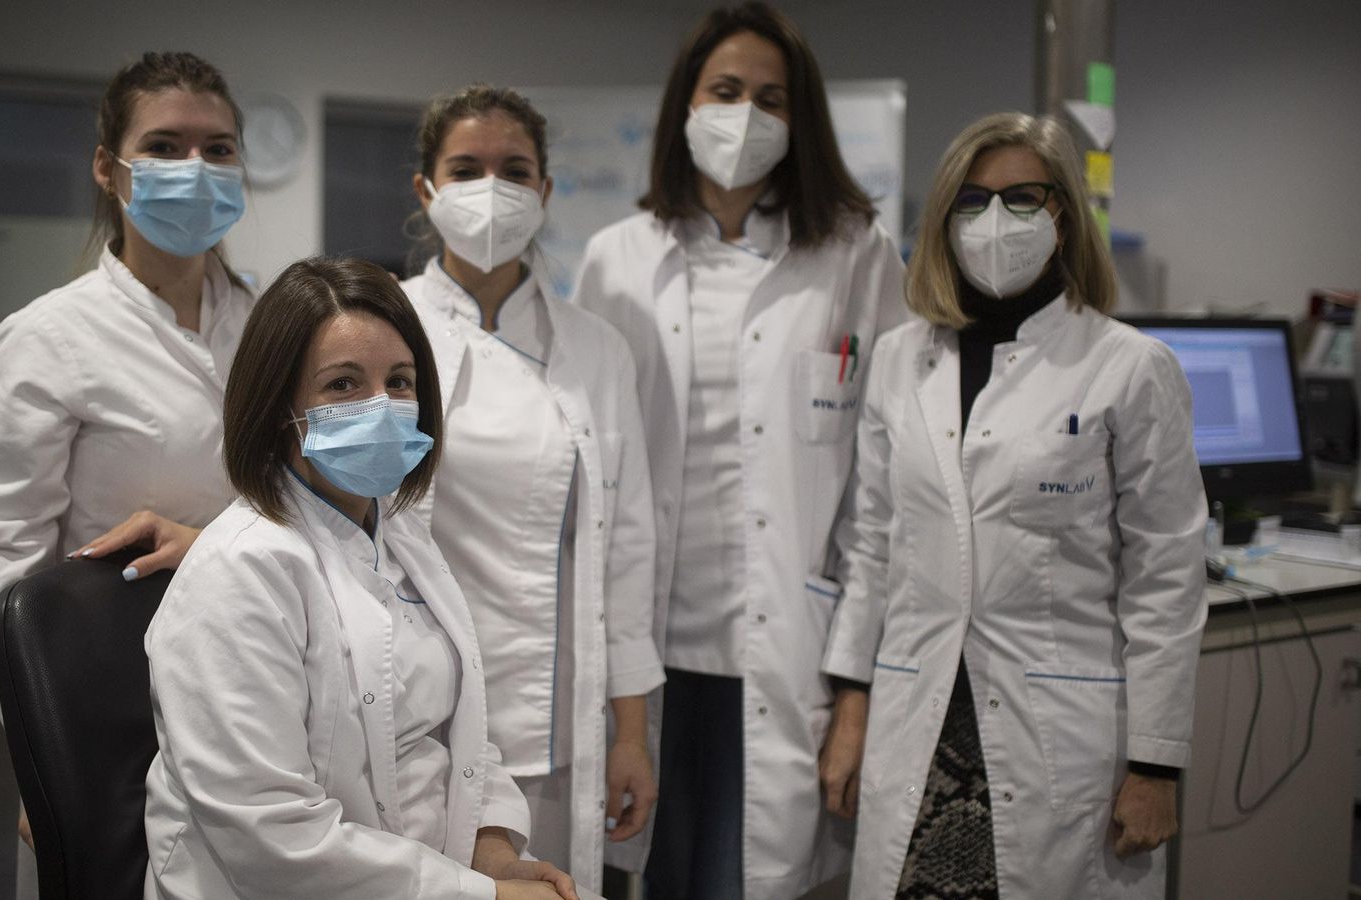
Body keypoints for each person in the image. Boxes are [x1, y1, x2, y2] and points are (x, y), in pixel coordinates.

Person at [819, 111, 1206, 900]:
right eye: (972, 201)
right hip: (917, 717)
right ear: (944, 218)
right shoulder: (899, 359)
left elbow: (1166, 578)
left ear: (1064, 214)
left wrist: (1156, 763)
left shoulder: (1129, 366)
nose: (996, 220)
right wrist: (851, 707)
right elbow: (873, 546)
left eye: (1023, 198)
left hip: (1061, 737)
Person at [571, 4, 907, 898]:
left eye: (771, 98)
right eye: (725, 91)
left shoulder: (855, 254)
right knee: (640, 875)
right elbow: (587, 463)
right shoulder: (616, 259)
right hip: (643, 656)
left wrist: (858, 690)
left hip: (789, 651)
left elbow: (882, 493)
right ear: (686, 104)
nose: (745, 115)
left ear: (802, 121)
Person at [143, 257, 578, 900]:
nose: (381, 406)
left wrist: (493, 853)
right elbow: (271, 841)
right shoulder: (239, 574)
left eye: (399, 381)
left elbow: (459, 732)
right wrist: (481, 897)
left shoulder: (399, 535)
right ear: (278, 407)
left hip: (431, 873)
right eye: (343, 384)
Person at [0, 51, 255, 892]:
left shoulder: (272, 323)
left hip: (255, 675)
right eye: (163, 147)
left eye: (217, 148)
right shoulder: (49, 337)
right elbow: (5, 559)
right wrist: (35, 750)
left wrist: (211, 545)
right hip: (108, 696)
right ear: (107, 167)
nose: (194, 169)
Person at [398, 84, 663, 893]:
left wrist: (630, 733)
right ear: (427, 190)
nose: (492, 190)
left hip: (559, 728)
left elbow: (627, 551)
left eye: (514, 170)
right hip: (413, 722)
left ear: (545, 190)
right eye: (466, 169)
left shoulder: (596, 349)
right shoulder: (384, 329)